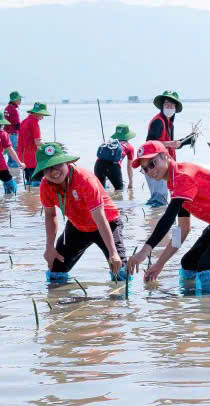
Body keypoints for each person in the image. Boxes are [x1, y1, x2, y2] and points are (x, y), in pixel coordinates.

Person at [126, 141, 210, 293]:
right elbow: (182, 229)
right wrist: (160, 264)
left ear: (165, 156)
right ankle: (191, 306)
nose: (150, 171)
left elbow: (168, 218)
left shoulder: (182, 176)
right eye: (145, 169)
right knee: (189, 263)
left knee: (206, 267)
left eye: (152, 164)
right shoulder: (175, 184)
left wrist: (144, 252)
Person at [35, 142, 126, 284]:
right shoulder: (45, 185)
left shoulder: (84, 179)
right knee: (55, 269)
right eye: (47, 168)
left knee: (120, 270)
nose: (53, 172)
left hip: (106, 222)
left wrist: (113, 252)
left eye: (57, 165)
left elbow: (99, 217)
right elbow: (50, 215)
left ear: (67, 163)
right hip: (77, 226)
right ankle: (62, 302)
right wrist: (49, 247)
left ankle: (120, 303)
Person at [145, 90, 183, 206]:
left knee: (159, 200)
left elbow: (167, 143)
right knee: (159, 201)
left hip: (160, 163)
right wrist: (170, 144)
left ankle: (150, 222)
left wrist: (183, 142)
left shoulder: (168, 122)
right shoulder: (159, 121)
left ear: (175, 108)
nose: (169, 107)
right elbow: (150, 142)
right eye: (166, 104)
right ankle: (152, 223)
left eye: (172, 105)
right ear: (162, 106)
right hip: (154, 164)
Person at [94, 124, 135, 191]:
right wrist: (130, 182)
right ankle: (117, 201)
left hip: (98, 165)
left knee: (101, 191)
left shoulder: (108, 143)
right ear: (128, 136)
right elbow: (129, 167)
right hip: (113, 167)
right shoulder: (129, 147)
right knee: (119, 191)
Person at [18, 101, 48, 185]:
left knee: (29, 183)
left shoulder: (23, 122)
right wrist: (48, 146)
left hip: (23, 158)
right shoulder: (34, 123)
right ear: (38, 113)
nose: (43, 117)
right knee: (37, 183)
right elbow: (38, 142)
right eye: (42, 115)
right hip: (33, 158)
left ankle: (28, 197)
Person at [4, 90, 23, 168]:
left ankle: (10, 170)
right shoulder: (14, 110)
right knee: (15, 152)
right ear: (15, 100)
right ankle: (16, 171)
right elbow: (17, 125)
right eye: (19, 99)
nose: (20, 101)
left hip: (6, 134)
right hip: (13, 134)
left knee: (9, 154)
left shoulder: (6, 108)